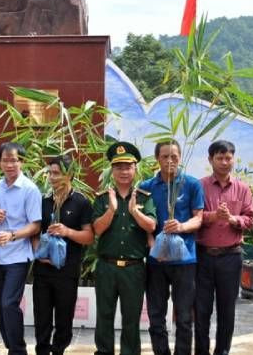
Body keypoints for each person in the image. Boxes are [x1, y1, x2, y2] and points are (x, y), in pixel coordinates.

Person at [138, 140, 203, 355]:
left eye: (174, 156)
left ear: (180, 157)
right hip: (156, 261)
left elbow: (198, 219)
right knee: (156, 315)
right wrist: (150, 240)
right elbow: (140, 219)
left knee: (184, 317)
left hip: (185, 261)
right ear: (157, 159)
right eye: (164, 156)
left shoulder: (192, 184)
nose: (169, 161)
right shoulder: (146, 187)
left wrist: (182, 226)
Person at [92, 142, 156, 355]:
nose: (124, 171)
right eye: (118, 167)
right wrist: (112, 209)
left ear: (135, 168)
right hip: (107, 267)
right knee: (104, 316)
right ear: (112, 169)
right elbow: (97, 230)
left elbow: (152, 225)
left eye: (128, 166)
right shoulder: (102, 198)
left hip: (133, 269)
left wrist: (134, 212)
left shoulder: (144, 197)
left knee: (131, 318)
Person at [194, 140, 253, 355]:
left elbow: (251, 219)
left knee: (227, 310)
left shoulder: (243, 189)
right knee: (201, 309)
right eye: (219, 158)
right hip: (202, 256)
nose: (224, 162)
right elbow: (192, 217)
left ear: (233, 159)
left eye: (228, 157)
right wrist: (213, 216)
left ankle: (223, 351)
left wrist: (233, 219)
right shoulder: (199, 186)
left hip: (231, 257)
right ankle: (201, 351)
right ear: (210, 159)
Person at [32, 154, 93, 355]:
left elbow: (88, 237)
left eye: (56, 173)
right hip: (42, 270)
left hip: (67, 271)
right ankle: (42, 351)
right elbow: (35, 232)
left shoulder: (81, 202)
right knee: (41, 318)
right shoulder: (43, 202)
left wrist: (67, 232)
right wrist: (37, 250)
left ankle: (58, 350)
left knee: (64, 319)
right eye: (50, 173)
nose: (52, 177)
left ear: (70, 175)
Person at [0, 142, 42, 355]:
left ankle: (18, 350)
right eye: (5, 160)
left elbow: (36, 225)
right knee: (1, 308)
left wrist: (12, 234)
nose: (9, 164)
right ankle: (10, 345)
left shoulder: (30, 189)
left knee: (9, 304)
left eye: (14, 160)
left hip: (19, 256)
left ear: (22, 162)